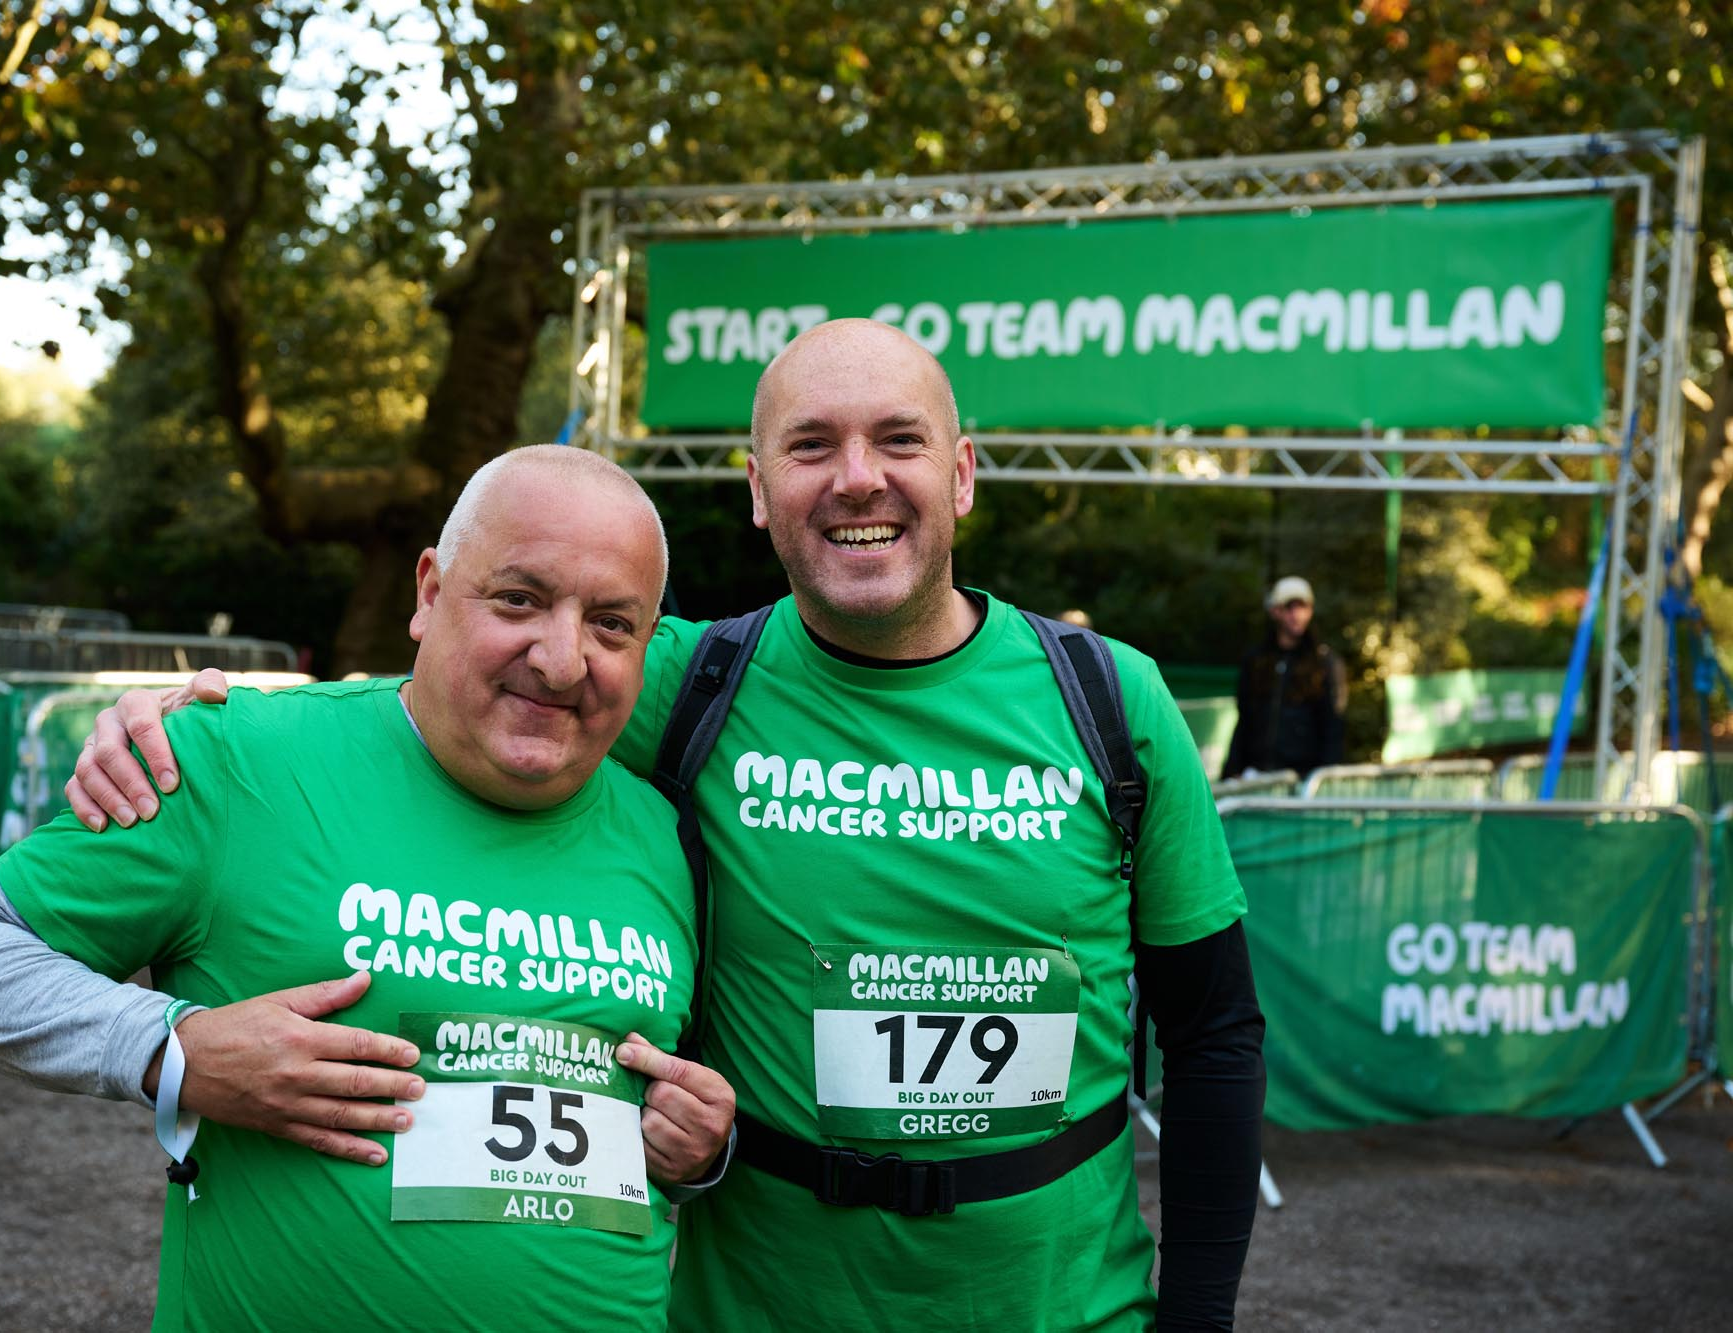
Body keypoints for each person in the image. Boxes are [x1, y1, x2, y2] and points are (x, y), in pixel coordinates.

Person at [74, 320, 1266, 1331]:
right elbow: (465, 679)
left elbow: (1211, 1034)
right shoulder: (682, 678)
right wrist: (200, 720)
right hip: (752, 1309)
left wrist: (1199, 1317)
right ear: (757, 492)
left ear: (960, 475)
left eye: (896, 441)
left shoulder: (1112, 701)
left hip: (1062, 1305)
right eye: (809, 447)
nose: (856, 478)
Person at [0, 447, 735, 1331]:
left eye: (611, 623)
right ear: (429, 592)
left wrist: (698, 1149)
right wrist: (172, 1050)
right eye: (520, 599)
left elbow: (647, 1121)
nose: (563, 658)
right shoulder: (241, 759)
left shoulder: (669, 832)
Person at [1222, 575, 1348, 779]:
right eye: (1290, 607)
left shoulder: (1326, 663)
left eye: (1303, 607)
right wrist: (1232, 770)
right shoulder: (1255, 660)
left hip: (1302, 781)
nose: (1296, 615)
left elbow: (1333, 727)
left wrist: (1323, 778)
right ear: (1275, 611)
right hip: (1255, 776)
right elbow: (1245, 719)